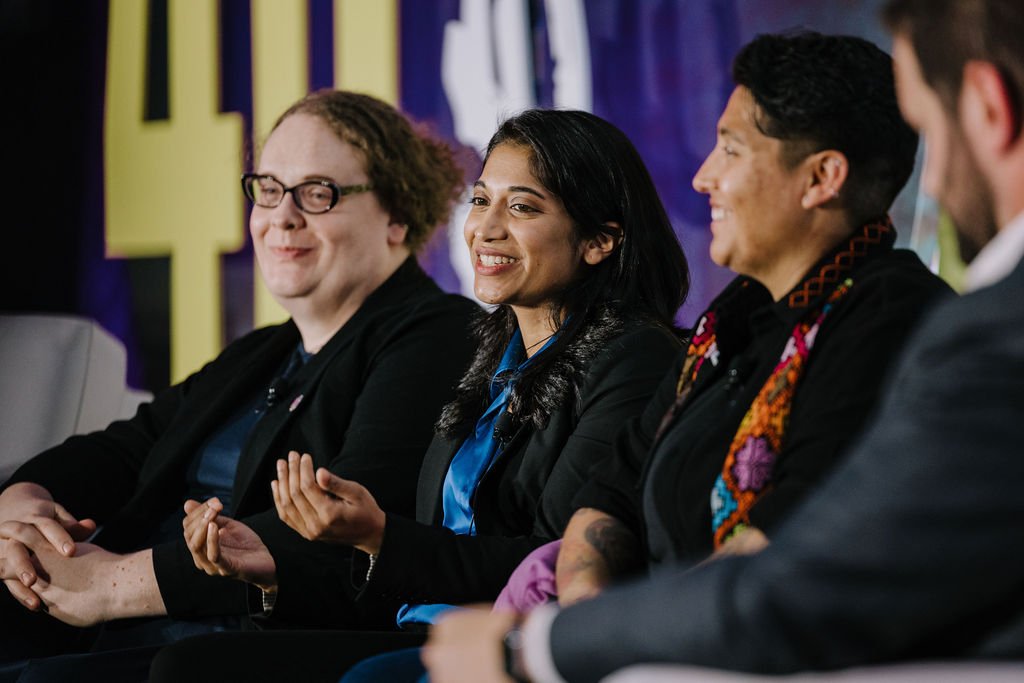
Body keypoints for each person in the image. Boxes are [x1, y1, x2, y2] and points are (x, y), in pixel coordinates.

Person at [423, 2, 1024, 681]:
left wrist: (552, 644)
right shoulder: (728, 318)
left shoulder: (894, 319)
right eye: (480, 198)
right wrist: (587, 608)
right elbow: (608, 497)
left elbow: (787, 572)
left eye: (731, 150)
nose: (703, 176)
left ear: (821, 178)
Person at [147, 108, 690, 682]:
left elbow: (552, 558)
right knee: (180, 665)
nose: (487, 228)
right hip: (420, 633)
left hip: (512, 648)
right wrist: (269, 573)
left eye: (523, 206)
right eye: (481, 200)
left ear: (600, 241)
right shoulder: (492, 356)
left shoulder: (634, 359)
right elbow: (417, 573)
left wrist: (381, 534)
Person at [0, 90, 478, 670]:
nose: (282, 216)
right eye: (269, 189)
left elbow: (344, 536)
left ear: (397, 216)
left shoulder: (438, 335)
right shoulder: (264, 349)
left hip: (233, 641)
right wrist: (22, 506)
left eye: (317, 193)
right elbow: (126, 447)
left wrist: (108, 586)